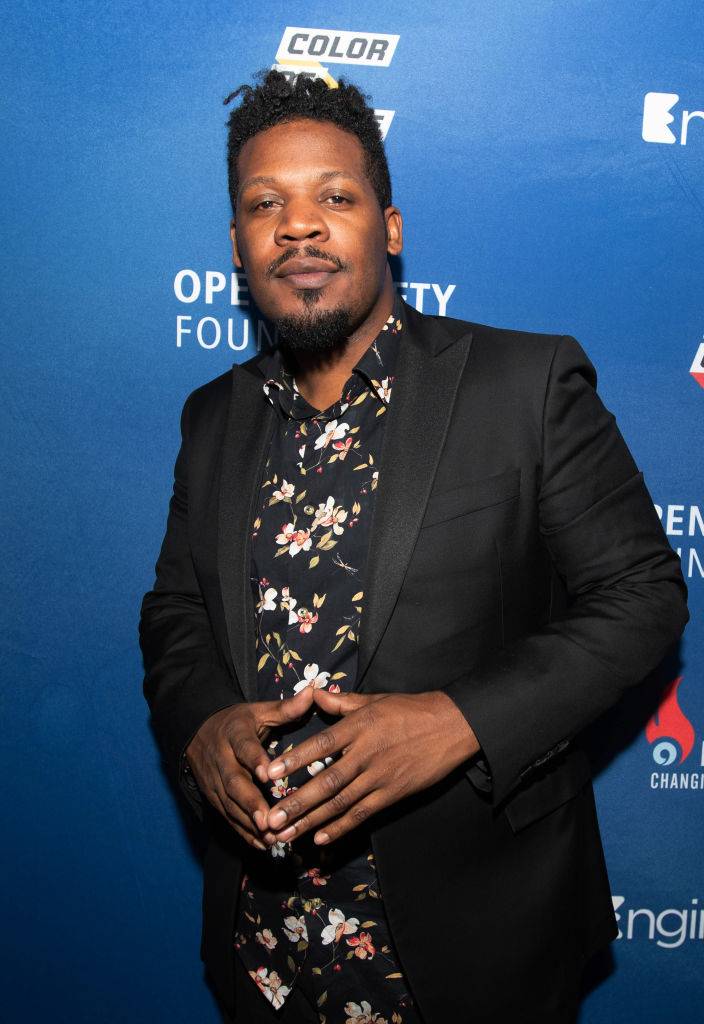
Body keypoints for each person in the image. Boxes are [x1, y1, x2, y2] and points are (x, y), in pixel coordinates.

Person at [139, 70, 688, 1024]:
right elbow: (175, 610)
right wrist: (203, 725)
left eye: (334, 197)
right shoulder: (212, 417)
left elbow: (642, 595)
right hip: (266, 950)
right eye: (266, 203)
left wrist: (459, 719)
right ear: (236, 245)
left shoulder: (525, 382)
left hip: (475, 949)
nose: (298, 226)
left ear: (389, 227)